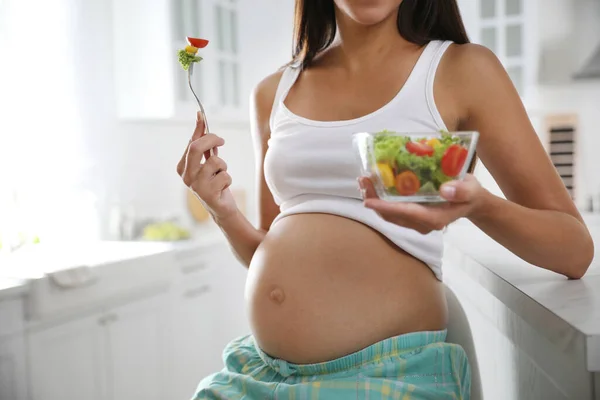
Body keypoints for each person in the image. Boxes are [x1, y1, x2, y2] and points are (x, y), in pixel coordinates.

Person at [176, 0, 594, 398]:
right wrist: (223, 212)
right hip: (263, 374)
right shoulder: (273, 91)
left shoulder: (461, 71)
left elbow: (573, 250)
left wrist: (479, 206)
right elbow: (269, 248)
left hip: (389, 374)